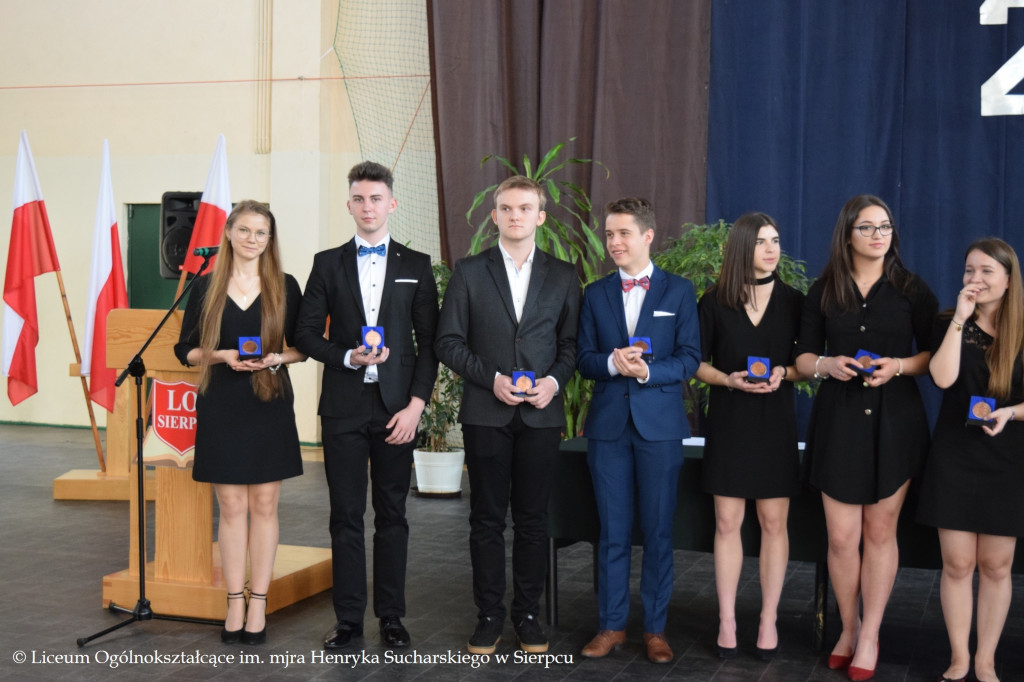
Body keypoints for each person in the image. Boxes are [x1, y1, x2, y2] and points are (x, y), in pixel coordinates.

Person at [294, 161, 438, 649]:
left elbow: (429, 342)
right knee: (345, 515)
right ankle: (349, 620)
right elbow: (306, 333)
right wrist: (346, 356)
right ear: (349, 205)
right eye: (359, 199)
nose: (368, 207)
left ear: (391, 203)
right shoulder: (326, 263)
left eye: (376, 198)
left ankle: (392, 618)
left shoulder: (416, 265)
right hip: (343, 406)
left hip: (398, 408)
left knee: (393, 515)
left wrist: (417, 405)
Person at [794, 194, 937, 681]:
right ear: (847, 235)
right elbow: (802, 358)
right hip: (839, 419)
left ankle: (870, 634)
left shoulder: (911, 289)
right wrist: (826, 364)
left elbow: (935, 358)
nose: (879, 235)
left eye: (885, 227)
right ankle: (848, 628)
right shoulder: (823, 290)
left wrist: (898, 365)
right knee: (841, 538)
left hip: (896, 421)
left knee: (880, 532)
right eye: (868, 227)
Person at [434, 175, 578, 655]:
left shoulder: (563, 275)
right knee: (486, 520)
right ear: (494, 216)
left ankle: (528, 616)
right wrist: (491, 378)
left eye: (525, 208)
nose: (516, 216)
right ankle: (489, 615)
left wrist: (553, 382)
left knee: (534, 521)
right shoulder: (469, 271)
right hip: (485, 413)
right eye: (507, 209)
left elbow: (571, 346)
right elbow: (447, 342)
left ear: (541, 216)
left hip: (541, 415)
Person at [174, 200, 306, 645]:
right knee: (231, 507)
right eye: (245, 230)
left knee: (264, 505)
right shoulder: (205, 286)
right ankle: (234, 601)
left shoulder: (285, 285)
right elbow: (186, 350)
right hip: (222, 403)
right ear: (229, 232)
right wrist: (221, 355)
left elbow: (303, 348)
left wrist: (276, 359)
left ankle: (259, 602)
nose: (252, 239)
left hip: (268, 400)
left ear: (270, 239)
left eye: (261, 232)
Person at [577, 197, 701, 664]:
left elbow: (690, 358)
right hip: (608, 428)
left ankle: (655, 630)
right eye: (609, 234)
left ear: (648, 236)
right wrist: (613, 363)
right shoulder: (594, 293)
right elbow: (584, 359)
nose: (614, 242)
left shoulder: (680, 291)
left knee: (658, 532)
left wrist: (648, 371)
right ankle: (611, 627)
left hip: (660, 428)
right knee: (611, 532)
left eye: (623, 233)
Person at [694, 212, 804, 661]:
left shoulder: (796, 302)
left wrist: (784, 372)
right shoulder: (713, 301)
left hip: (776, 422)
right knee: (727, 523)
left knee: (774, 523)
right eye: (761, 241)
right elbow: (694, 362)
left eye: (775, 240)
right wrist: (727, 379)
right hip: (730, 420)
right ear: (743, 246)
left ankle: (768, 618)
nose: (772, 249)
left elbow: (807, 363)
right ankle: (726, 619)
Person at [917, 238, 1024, 682]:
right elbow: (942, 378)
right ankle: (960, 658)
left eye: (986, 271)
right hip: (955, 455)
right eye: (969, 271)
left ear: (1008, 279)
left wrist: (1011, 413)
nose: (975, 279)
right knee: (958, 564)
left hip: (1008, 457)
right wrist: (961, 319)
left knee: (996, 566)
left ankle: (986, 661)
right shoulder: (949, 321)